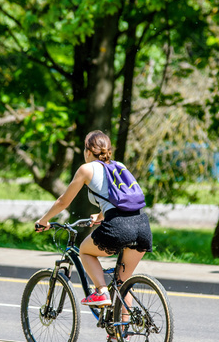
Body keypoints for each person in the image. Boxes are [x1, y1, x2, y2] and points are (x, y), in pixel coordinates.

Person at [34, 130, 153, 307]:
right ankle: (121, 333)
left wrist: (43, 220)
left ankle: (101, 291)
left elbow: (63, 201)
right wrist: (100, 216)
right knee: (121, 284)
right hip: (142, 226)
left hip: (119, 227)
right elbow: (120, 198)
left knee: (85, 251)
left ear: (88, 151)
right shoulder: (119, 166)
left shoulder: (86, 169)